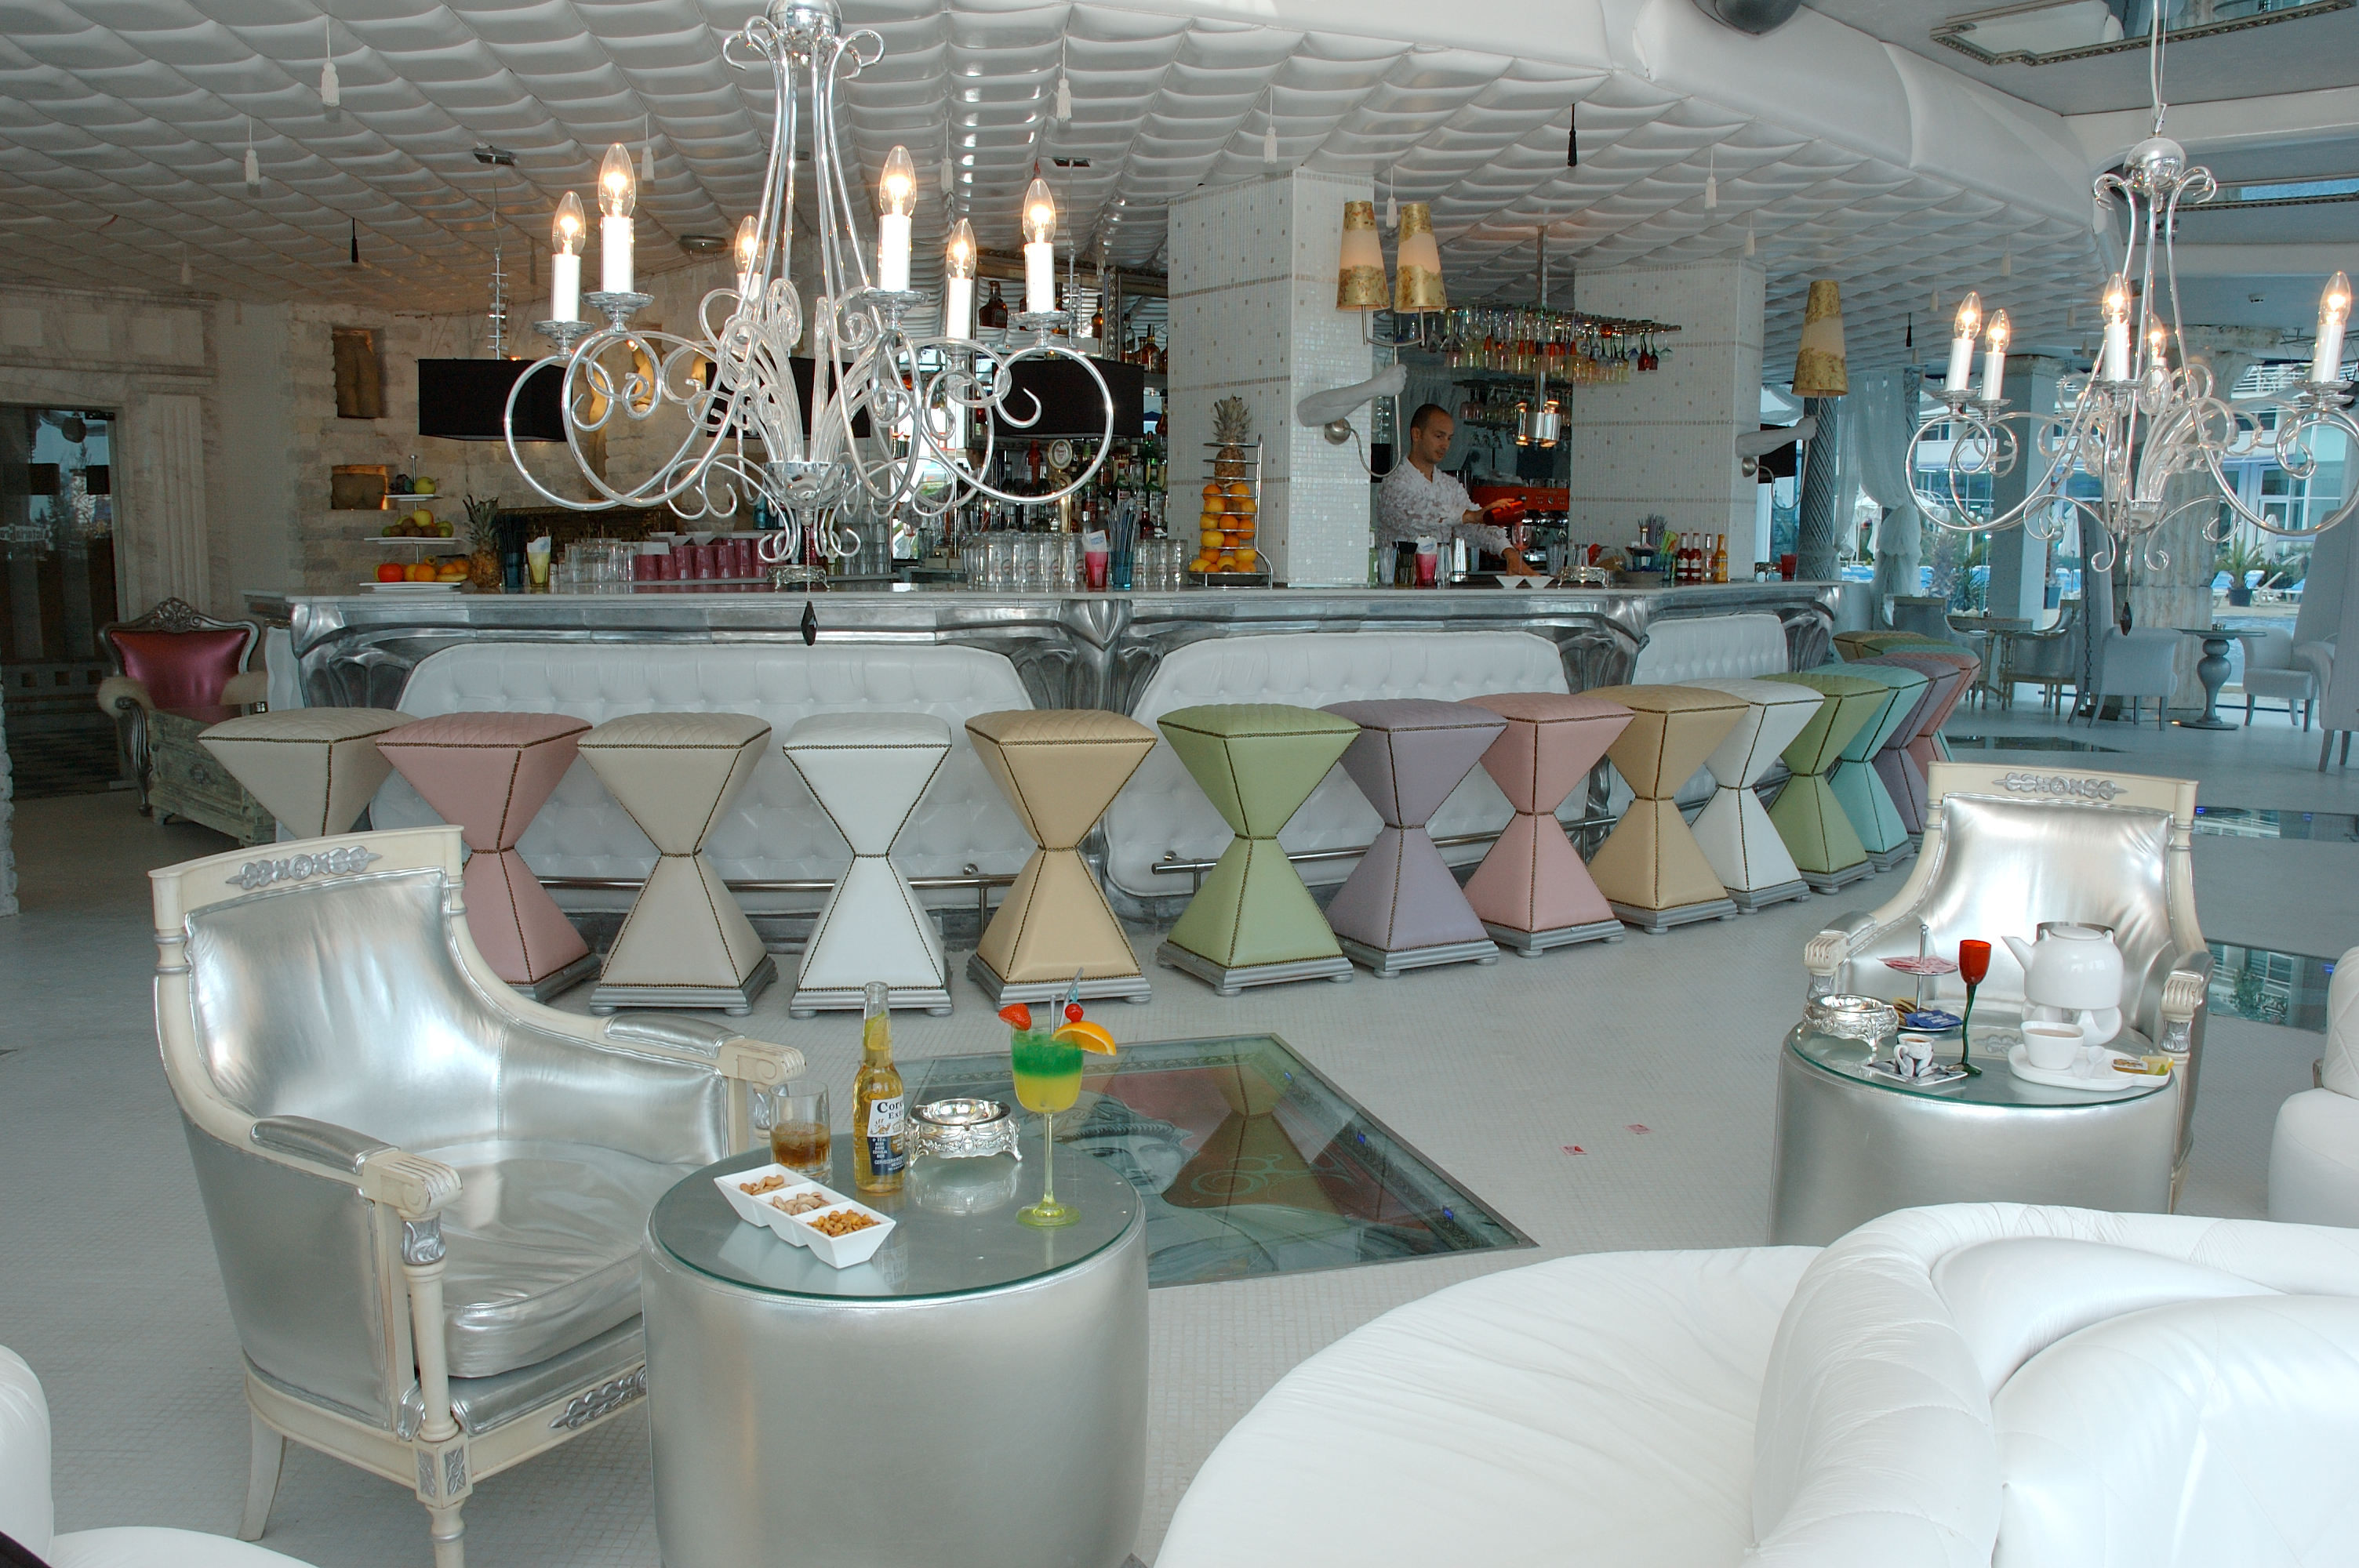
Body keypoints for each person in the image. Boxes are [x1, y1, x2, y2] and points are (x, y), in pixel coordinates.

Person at [1376, 404, 1529, 572]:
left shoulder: (1449, 486)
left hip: (1442, 582)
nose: (1445, 445)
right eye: (1439, 436)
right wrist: (1472, 516)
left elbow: (1474, 527)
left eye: (1449, 438)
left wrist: (1509, 553)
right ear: (1416, 434)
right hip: (1399, 583)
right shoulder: (1394, 483)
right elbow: (1419, 514)